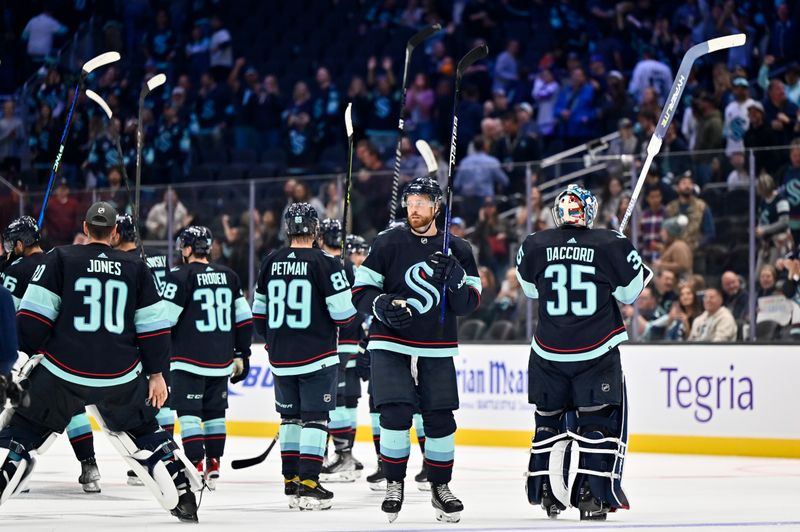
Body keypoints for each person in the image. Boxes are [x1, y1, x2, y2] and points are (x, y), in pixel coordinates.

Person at [0, 202, 199, 522]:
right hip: (119, 374)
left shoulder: (59, 258)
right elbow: (154, 327)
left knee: (25, 428)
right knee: (145, 428)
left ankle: (11, 464)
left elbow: (34, 320)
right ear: (115, 232)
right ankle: (181, 492)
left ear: (85, 227)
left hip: (62, 371)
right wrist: (157, 373)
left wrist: (22, 358)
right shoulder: (137, 266)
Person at [352, 177, 481, 523]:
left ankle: (441, 488)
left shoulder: (459, 249)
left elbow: (469, 303)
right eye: (411, 202)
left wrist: (454, 277)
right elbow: (360, 292)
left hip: (437, 347)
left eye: (423, 202)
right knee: (394, 414)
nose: (415, 208)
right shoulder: (387, 242)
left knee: (440, 419)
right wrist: (380, 305)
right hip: (390, 342)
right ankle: (395, 483)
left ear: (437, 206)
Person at [516, 184, 648, 521]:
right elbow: (631, 294)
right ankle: (592, 495)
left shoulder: (535, 243)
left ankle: (546, 492)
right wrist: (612, 259)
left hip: (547, 352)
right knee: (597, 424)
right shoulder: (610, 243)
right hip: (596, 351)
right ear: (589, 211)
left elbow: (531, 290)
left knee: (547, 422)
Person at [252, 203, 357, 511]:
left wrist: (272, 338)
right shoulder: (326, 262)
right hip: (318, 356)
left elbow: (259, 315)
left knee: (289, 419)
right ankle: (309, 485)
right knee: (315, 419)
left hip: (281, 357)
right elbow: (344, 315)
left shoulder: (271, 260)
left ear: (288, 229)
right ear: (314, 230)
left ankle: (291, 483)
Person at [1, 216, 101, 493]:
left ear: (20, 243)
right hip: (63, 351)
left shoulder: (15, 270)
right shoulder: (59, 262)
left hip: (28, 354)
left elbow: (9, 313)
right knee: (74, 409)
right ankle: (90, 467)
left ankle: (18, 471)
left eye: (12, 244)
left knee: (16, 412)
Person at [160, 226, 252, 490]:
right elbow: (244, 320)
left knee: (188, 414)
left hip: (187, 360)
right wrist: (241, 353)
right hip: (220, 361)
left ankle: (194, 464)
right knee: (214, 414)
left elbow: (166, 319)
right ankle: (213, 465)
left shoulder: (179, 276)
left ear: (188, 249)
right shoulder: (229, 275)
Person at [317, 219, 365, 482]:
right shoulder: (348, 265)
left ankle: (341, 455)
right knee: (341, 396)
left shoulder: (328, 264)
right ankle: (341, 454)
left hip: (335, 340)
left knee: (330, 397)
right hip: (349, 339)